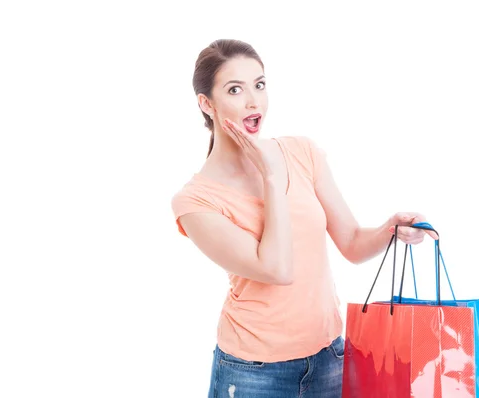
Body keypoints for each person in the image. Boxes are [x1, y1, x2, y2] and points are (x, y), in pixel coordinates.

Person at [170, 39, 437, 398]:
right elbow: (277, 269)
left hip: (330, 357)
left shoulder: (301, 152)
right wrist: (271, 178)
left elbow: (353, 243)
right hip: (252, 373)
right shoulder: (195, 200)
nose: (253, 101)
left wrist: (392, 229)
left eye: (259, 85)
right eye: (235, 89)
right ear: (207, 104)